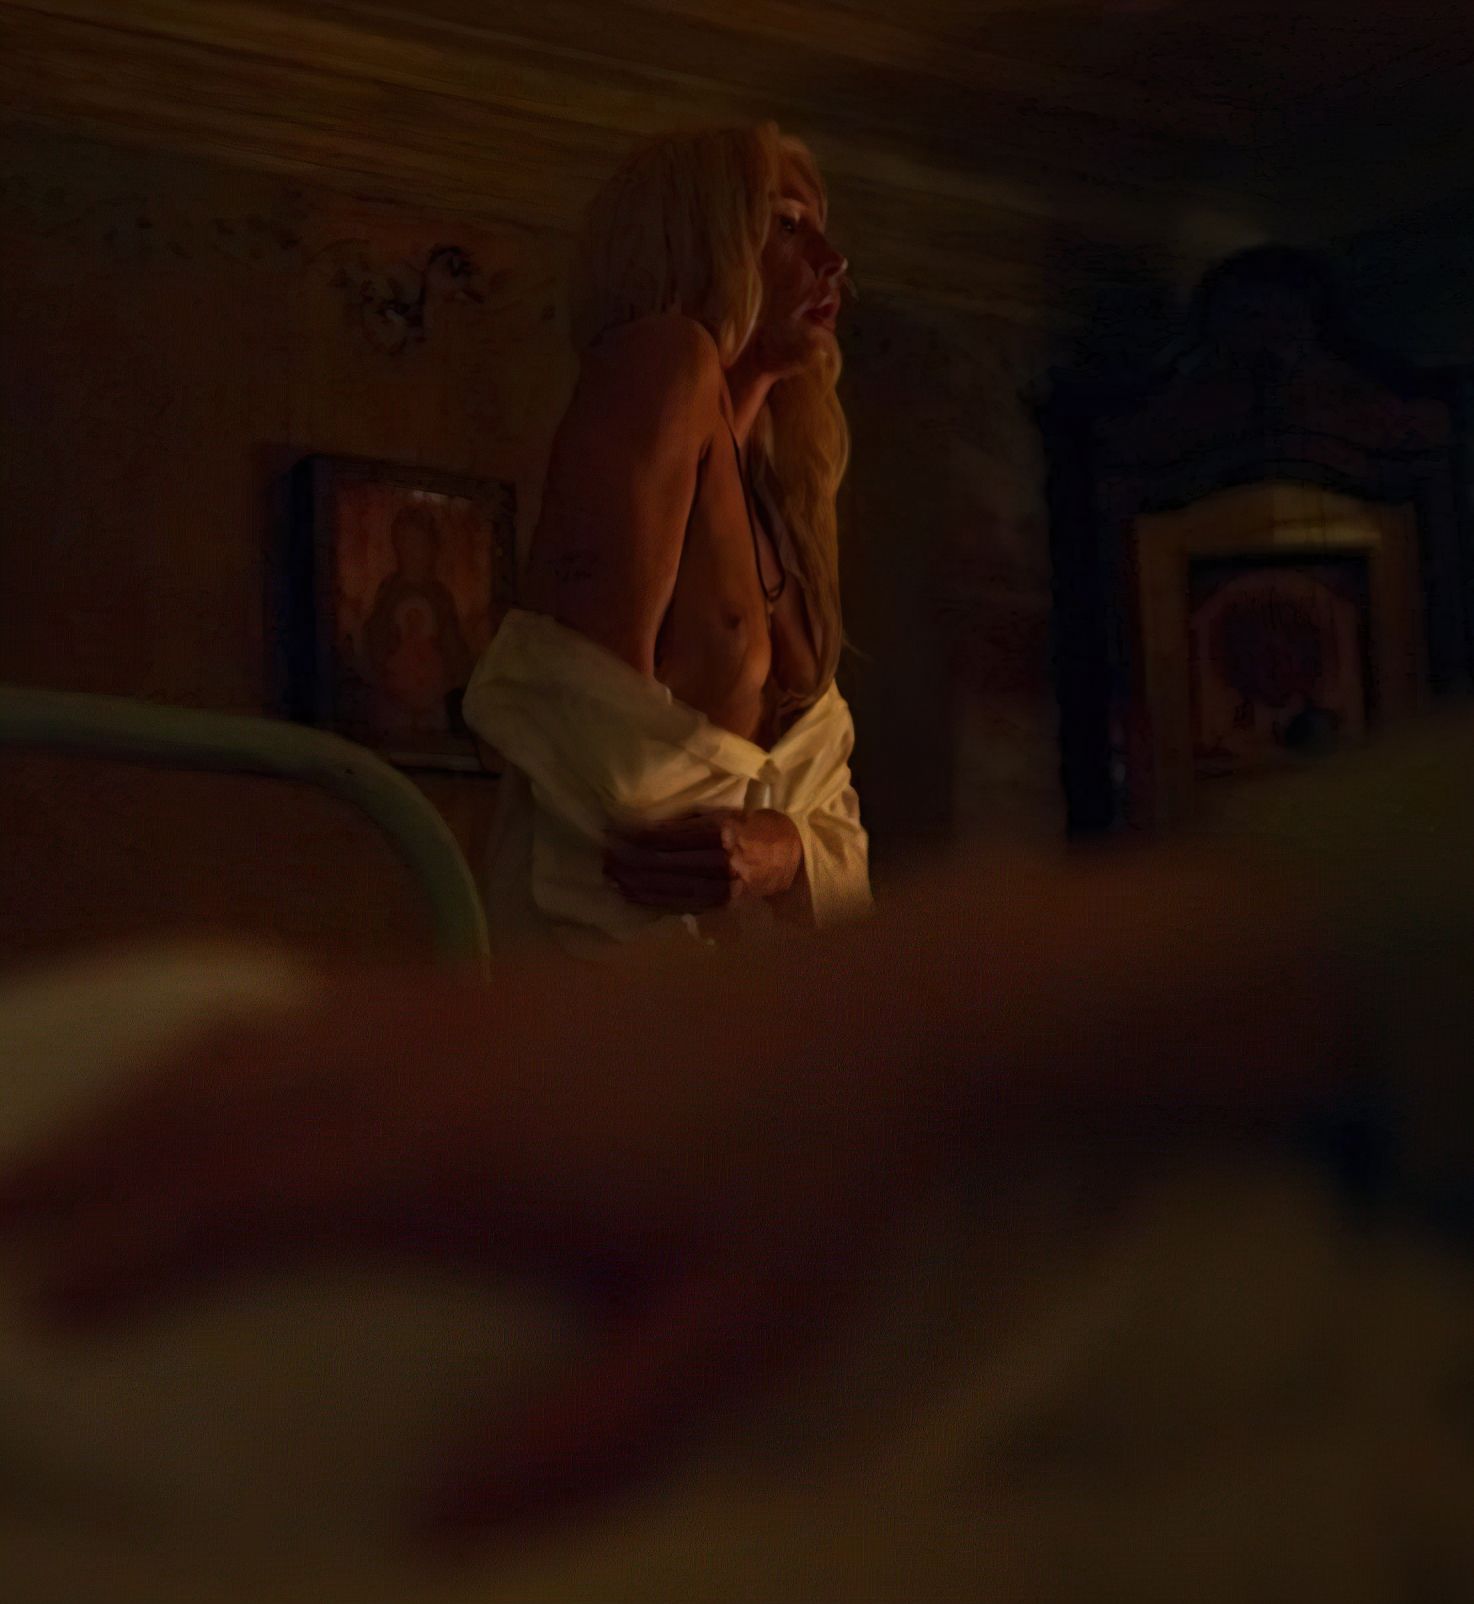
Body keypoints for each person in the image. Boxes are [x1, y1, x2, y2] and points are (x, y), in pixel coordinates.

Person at [464, 124, 871, 958]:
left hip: (759, 984)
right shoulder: (663, 362)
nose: (832, 261)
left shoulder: (783, 490)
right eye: (787, 226)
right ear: (702, 241)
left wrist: (787, 851)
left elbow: (830, 823)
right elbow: (600, 742)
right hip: (625, 971)